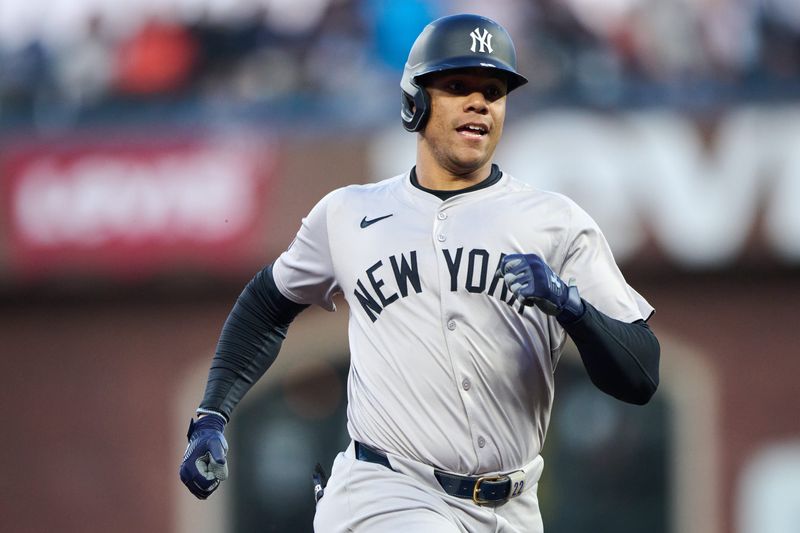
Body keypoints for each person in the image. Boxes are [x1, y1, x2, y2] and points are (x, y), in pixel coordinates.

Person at [179, 13, 660, 533]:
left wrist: (573, 308)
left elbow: (641, 374)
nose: (480, 102)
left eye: (493, 91)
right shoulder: (348, 214)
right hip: (385, 492)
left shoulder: (553, 221)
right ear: (416, 101)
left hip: (513, 507)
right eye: (458, 86)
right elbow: (266, 303)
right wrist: (211, 414)